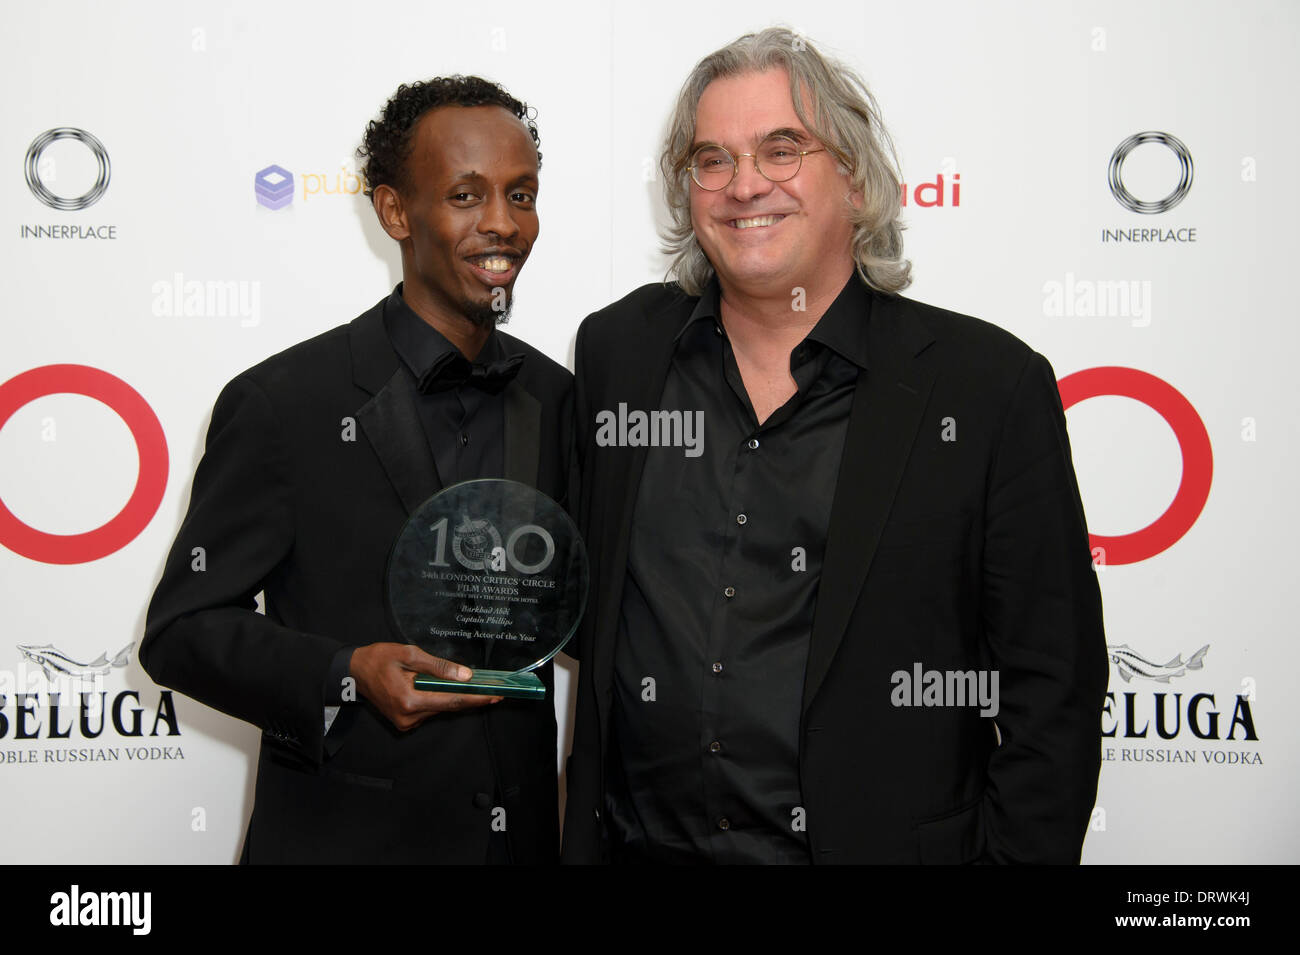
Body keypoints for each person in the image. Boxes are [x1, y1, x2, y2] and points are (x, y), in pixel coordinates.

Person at [561, 28, 1108, 864]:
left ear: (853, 177)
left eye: (781, 149)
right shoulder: (619, 355)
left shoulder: (985, 389)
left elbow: (1053, 693)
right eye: (713, 159)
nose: (745, 185)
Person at [141, 76, 572, 864]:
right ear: (396, 211)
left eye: (522, 193)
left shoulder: (561, 398)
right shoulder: (282, 403)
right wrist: (345, 672)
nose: (503, 224)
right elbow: (181, 632)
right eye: (468, 195)